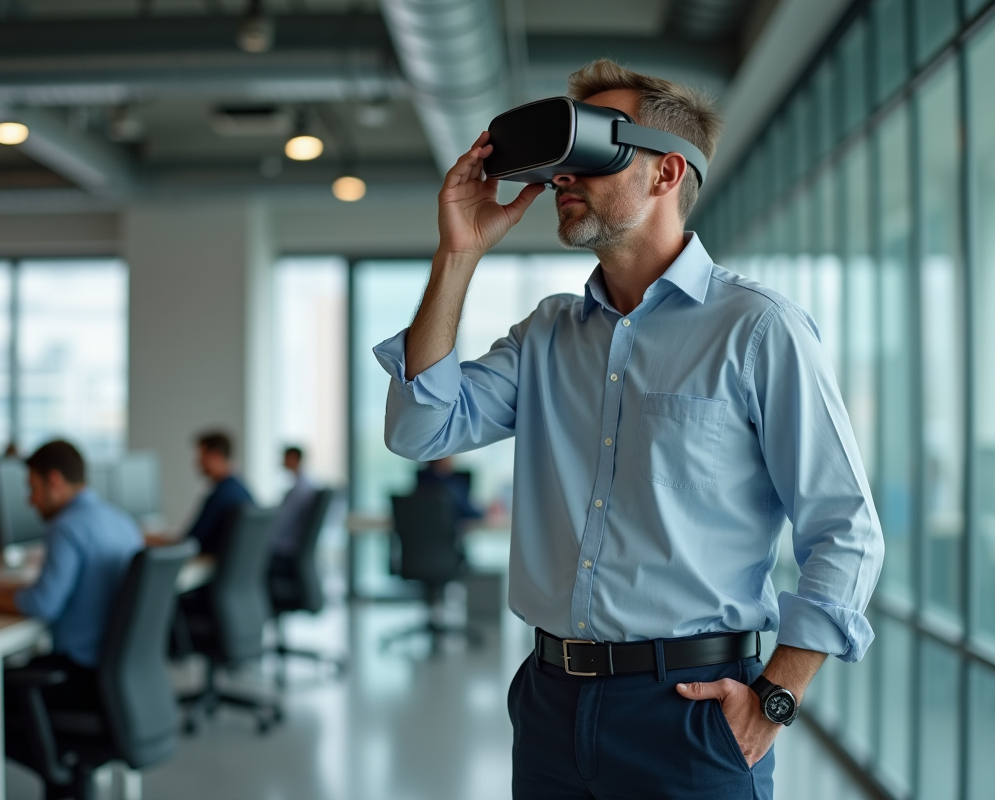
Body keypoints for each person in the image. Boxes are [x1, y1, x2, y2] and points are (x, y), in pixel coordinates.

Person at [374, 59, 884, 799]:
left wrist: (776, 697)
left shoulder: (756, 330)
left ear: (666, 172)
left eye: (591, 155)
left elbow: (846, 528)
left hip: (692, 714)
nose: (562, 180)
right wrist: (458, 253)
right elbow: (420, 430)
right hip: (551, 704)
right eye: (561, 164)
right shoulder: (547, 334)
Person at [0, 440, 142, 773]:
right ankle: (61, 766)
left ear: (54, 482)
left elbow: (43, 604)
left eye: (33, 489)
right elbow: (74, 587)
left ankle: (56, 772)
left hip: (79, 679)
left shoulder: (67, 526)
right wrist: (4, 589)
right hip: (121, 678)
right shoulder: (120, 521)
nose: (29, 501)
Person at [180, 430, 254, 556]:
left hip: (210, 568)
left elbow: (191, 542)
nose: (198, 463)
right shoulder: (242, 489)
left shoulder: (220, 496)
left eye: (202, 456)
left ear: (216, 456)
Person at [271, 445, 318, 558]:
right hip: (294, 543)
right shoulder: (306, 485)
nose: (282, 461)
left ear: (293, 459)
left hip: (288, 545)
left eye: (285, 457)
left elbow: (284, 521)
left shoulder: (300, 490)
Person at [416, 455, 483, 521]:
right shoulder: (452, 485)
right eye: (449, 458)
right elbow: (465, 508)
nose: (452, 462)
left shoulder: (424, 479)